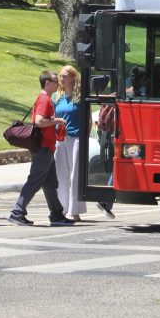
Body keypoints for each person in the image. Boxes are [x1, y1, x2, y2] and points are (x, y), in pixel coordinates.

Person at [8, 71, 75, 227]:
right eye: (55, 81)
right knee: (35, 180)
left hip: (47, 147)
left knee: (50, 183)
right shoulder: (45, 99)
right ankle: (17, 212)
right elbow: (39, 121)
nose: (58, 83)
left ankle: (56, 214)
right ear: (47, 83)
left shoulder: (45, 99)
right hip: (43, 147)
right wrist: (56, 121)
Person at [53, 65, 88, 221]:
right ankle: (63, 208)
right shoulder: (57, 97)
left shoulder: (80, 97)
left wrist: (85, 138)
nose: (62, 78)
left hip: (76, 138)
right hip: (60, 139)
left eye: (65, 75)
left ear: (73, 77)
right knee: (61, 175)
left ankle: (75, 211)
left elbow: (87, 119)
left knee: (75, 176)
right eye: (61, 76)